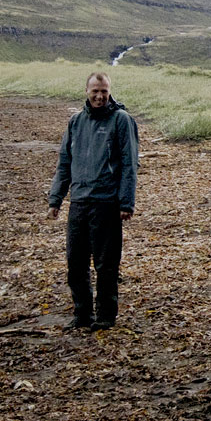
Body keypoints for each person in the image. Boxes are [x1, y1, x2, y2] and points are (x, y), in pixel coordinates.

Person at [47, 72, 139, 331]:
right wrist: (56, 199)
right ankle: (82, 315)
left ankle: (106, 317)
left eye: (104, 91)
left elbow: (130, 164)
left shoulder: (122, 121)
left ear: (110, 92)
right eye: (95, 91)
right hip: (79, 203)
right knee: (76, 265)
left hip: (106, 204)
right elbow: (64, 164)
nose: (99, 96)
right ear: (87, 91)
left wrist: (126, 202)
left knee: (106, 265)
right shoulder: (76, 122)